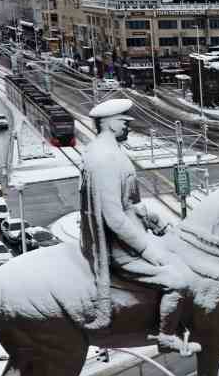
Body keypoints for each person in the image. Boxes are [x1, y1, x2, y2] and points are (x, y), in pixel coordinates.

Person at [79, 98, 198, 355]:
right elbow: (113, 216)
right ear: (110, 124)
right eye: (124, 122)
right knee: (176, 281)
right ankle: (166, 337)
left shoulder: (111, 153)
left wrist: (151, 219)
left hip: (131, 238)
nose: (128, 127)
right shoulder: (104, 158)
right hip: (119, 249)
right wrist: (147, 250)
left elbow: (127, 205)